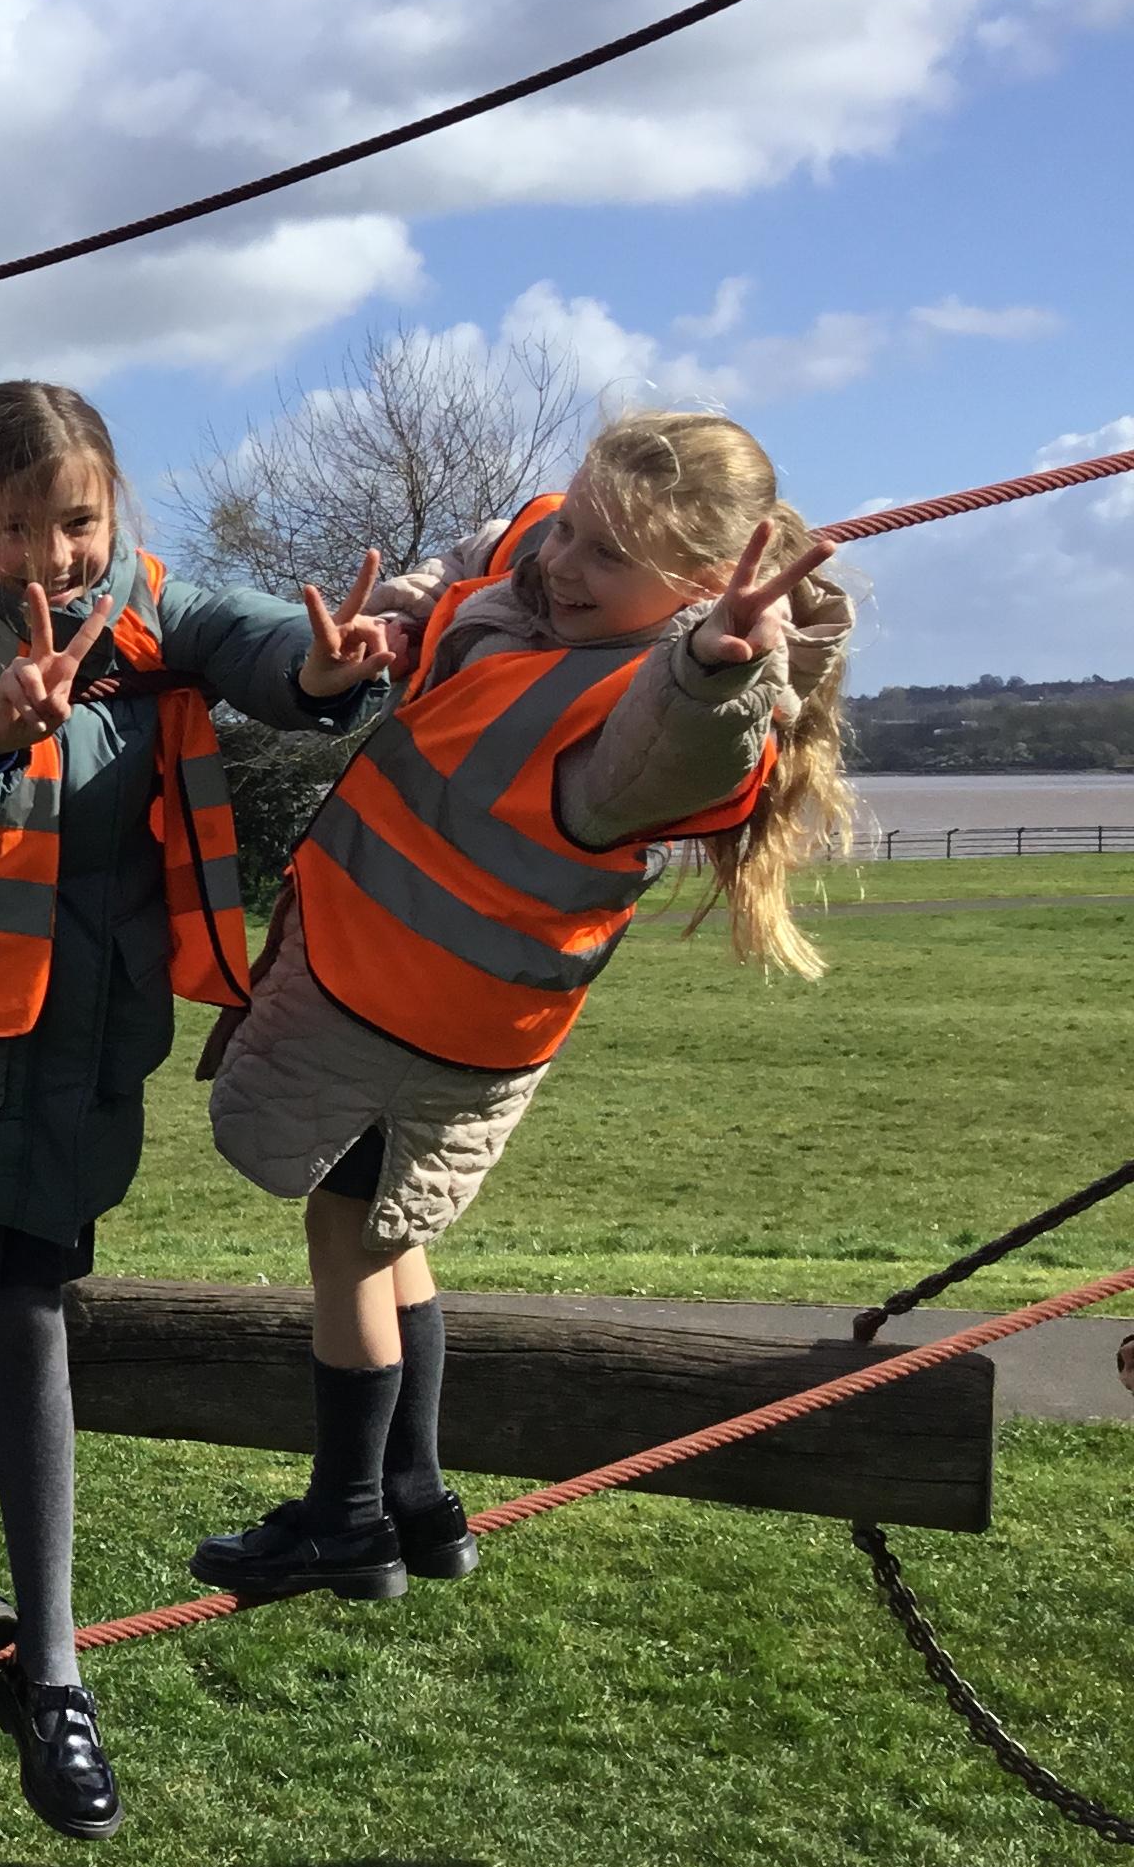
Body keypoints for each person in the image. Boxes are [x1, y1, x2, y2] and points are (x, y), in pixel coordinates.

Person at [0, 379, 399, 1840]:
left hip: (60, 1066)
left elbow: (252, 641)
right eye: (20, 527)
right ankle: (26, 1664)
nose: (56, 556)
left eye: (79, 521)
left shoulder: (146, 602)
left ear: (112, 509)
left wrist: (321, 673)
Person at [194, 409, 850, 1606]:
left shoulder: (650, 701)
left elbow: (677, 745)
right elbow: (492, 556)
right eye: (576, 526)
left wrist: (717, 666)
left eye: (608, 556)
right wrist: (403, 612)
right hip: (405, 997)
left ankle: (346, 1520)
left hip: (414, 1020)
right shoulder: (560, 563)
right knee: (393, 1237)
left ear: (696, 589)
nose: (566, 565)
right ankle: (418, 1499)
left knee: (348, 1251)